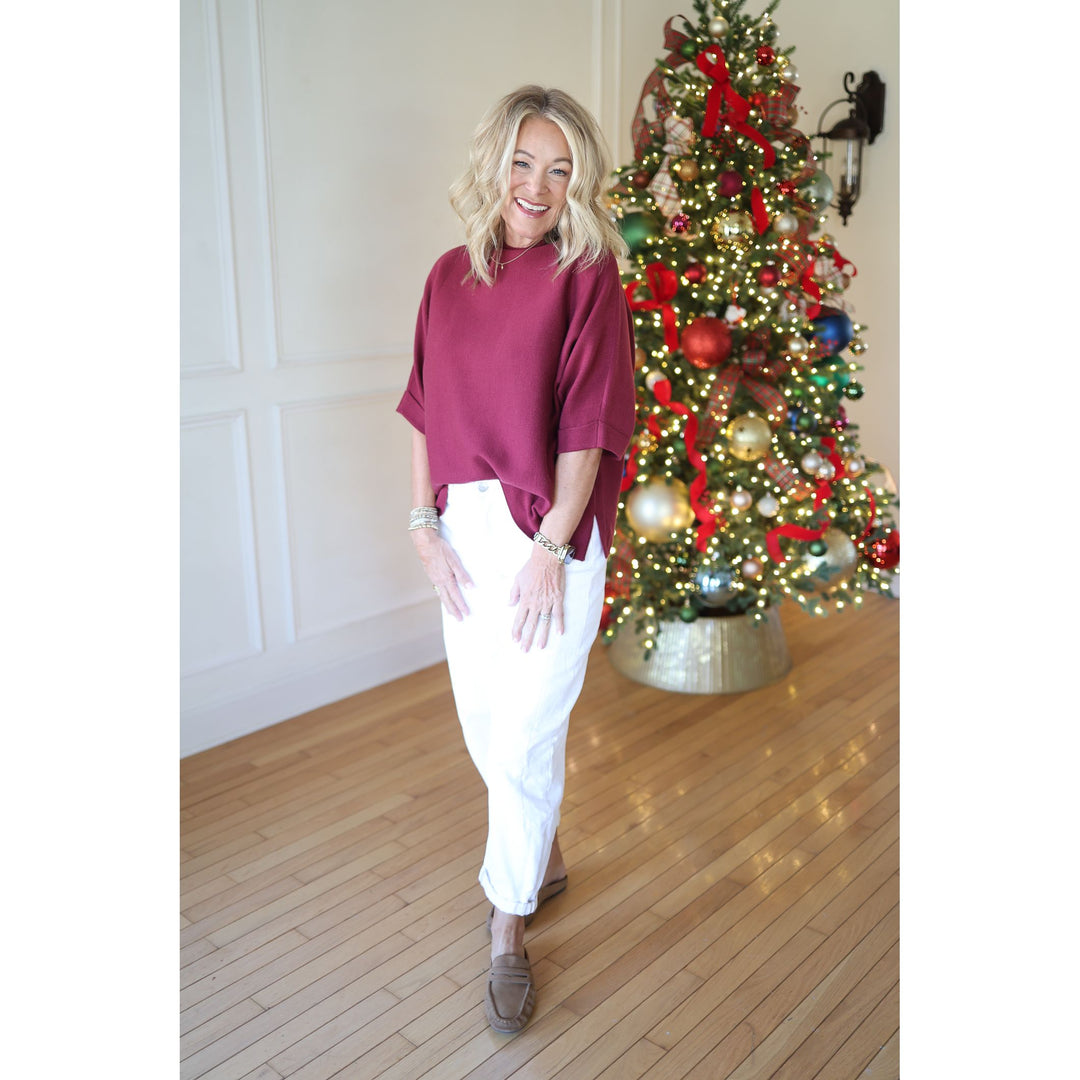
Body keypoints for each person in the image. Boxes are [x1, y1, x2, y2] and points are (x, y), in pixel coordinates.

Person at [397, 85, 636, 1034]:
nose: (538, 186)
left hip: (551, 528)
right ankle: (544, 852)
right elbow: (421, 406)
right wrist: (421, 523)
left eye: (562, 168)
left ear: (579, 183)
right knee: (486, 719)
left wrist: (552, 545)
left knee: (528, 726)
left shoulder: (589, 275)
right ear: (495, 162)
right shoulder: (446, 276)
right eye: (525, 162)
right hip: (462, 526)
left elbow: (588, 424)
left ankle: (508, 928)